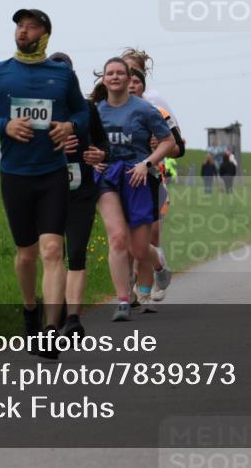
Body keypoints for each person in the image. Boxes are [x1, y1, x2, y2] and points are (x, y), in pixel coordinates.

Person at [0, 8, 88, 358]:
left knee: (52, 250)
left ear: (45, 34)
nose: (23, 31)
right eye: (19, 26)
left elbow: (81, 113)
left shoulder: (62, 75)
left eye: (31, 26)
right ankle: (30, 312)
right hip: (16, 176)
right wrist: (3, 125)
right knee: (26, 255)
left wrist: (70, 127)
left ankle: (51, 331)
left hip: (52, 173)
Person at [94, 57, 176, 321]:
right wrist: (92, 162)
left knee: (139, 249)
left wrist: (147, 163)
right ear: (104, 79)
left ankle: (159, 262)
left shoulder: (145, 109)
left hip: (138, 177)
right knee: (117, 238)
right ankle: (122, 301)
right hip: (108, 178)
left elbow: (168, 141)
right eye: (110, 73)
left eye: (121, 73)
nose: (115, 77)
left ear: (130, 79)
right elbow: (87, 145)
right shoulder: (95, 112)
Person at [51, 52, 110, 339]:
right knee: (53, 254)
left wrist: (98, 153)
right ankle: (56, 309)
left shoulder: (87, 109)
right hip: (47, 192)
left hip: (81, 192)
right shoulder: (40, 109)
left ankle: (73, 319)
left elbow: (103, 144)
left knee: (76, 253)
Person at [127, 66, 185, 305]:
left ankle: (146, 289)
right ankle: (129, 289)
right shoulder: (107, 111)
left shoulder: (157, 111)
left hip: (151, 178)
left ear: (143, 87)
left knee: (149, 235)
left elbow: (178, 148)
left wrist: (160, 144)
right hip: (121, 181)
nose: (130, 86)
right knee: (124, 237)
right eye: (127, 81)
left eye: (136, 82)